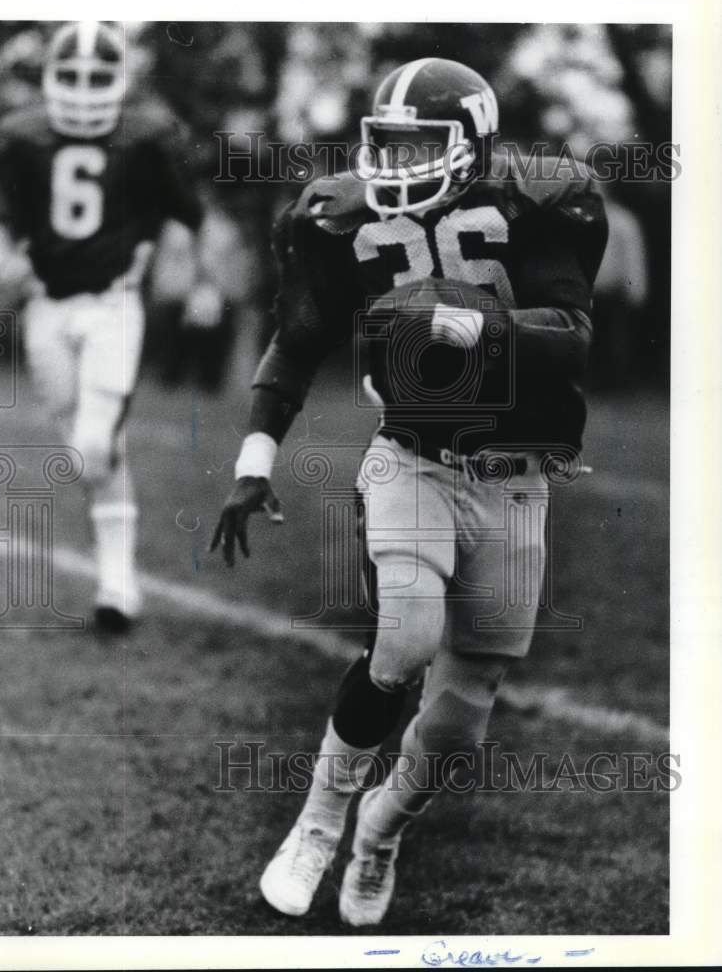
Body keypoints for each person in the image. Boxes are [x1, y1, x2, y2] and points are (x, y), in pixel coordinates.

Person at [212, 57, 608, 925]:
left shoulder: (544, 198)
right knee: (404, 640)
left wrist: (474, 323)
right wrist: (252, 463)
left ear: (475, 142)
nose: (398, 165)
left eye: (421, 146)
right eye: (388, 145)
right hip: (411, 457)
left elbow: (572, 335)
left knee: (460, 725)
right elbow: (298, 341)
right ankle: (317, 824)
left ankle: (380, 831)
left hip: (514, 474)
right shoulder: (336, 214)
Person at [0, 21, 205, 634]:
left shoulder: (148, 135)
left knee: (93, 446)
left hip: (113, 303)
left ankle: (117, 584)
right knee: (91, 452)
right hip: (47, 307)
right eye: (73, 76)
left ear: (120, 80)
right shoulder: (21, 136)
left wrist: (182, 267)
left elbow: (184, 214)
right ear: (52, 78)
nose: (83, 89)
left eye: (97, 77)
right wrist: (1, 258)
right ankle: (116, 586)